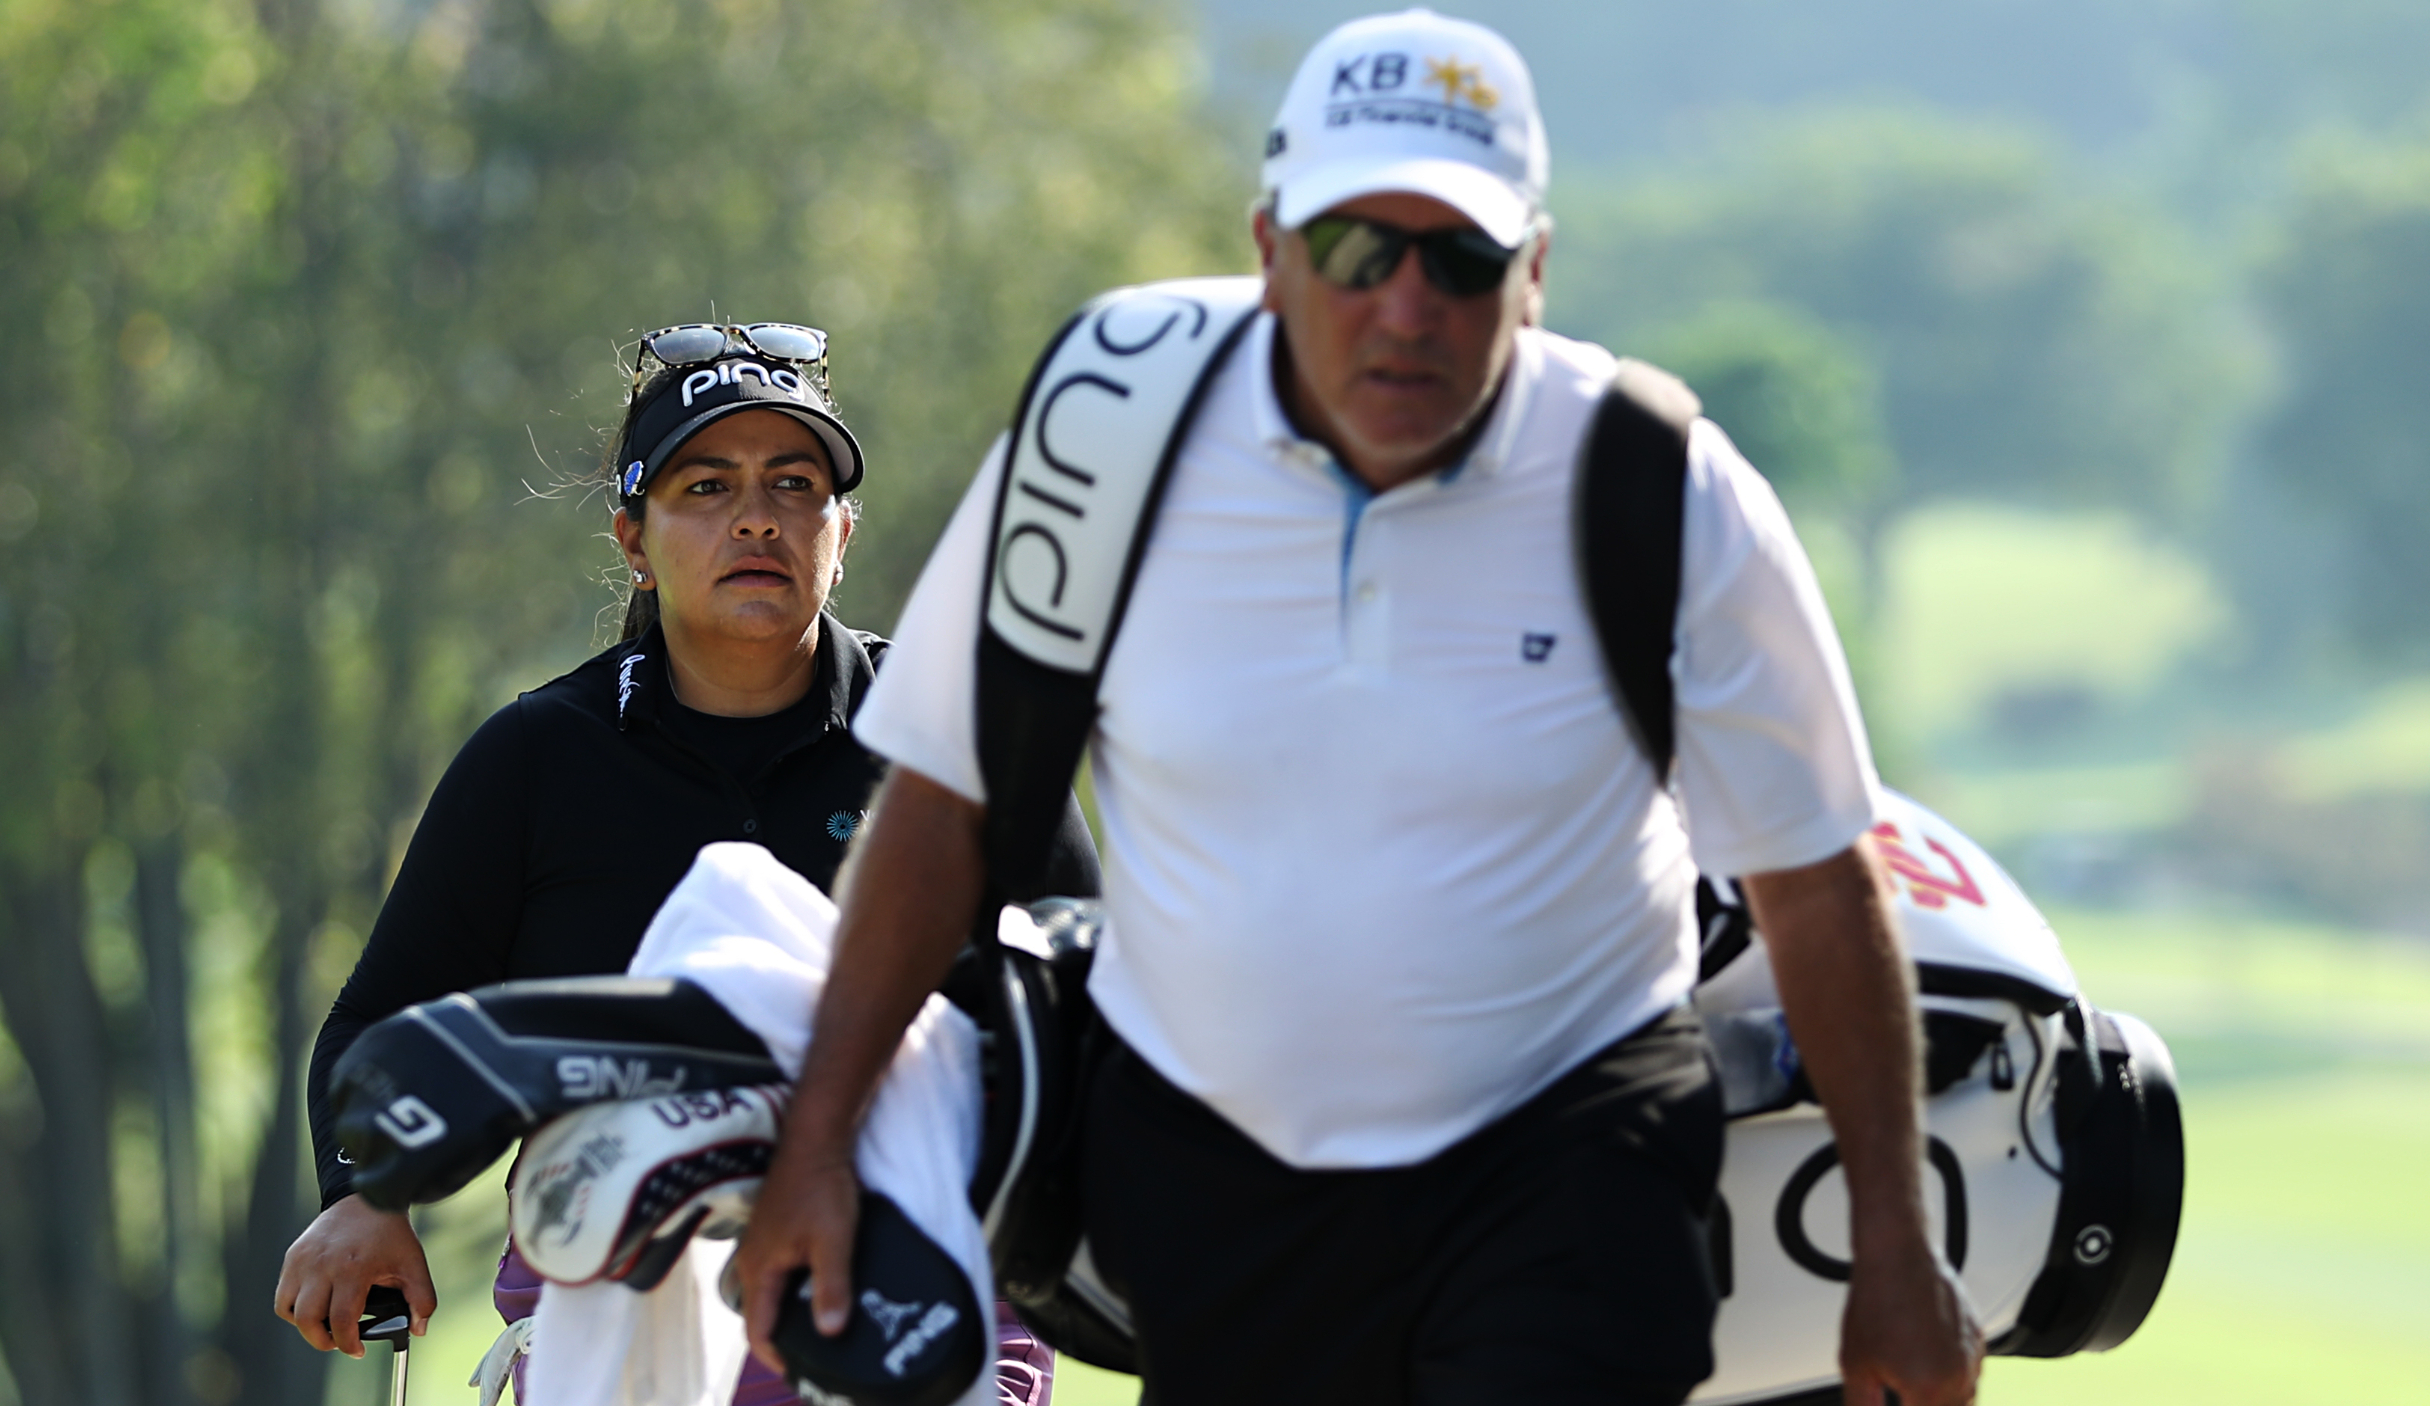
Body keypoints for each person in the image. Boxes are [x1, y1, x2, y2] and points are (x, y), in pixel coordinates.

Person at [733, 11, 1987, 1406]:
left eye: (1461, 258)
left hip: (1566, 1154)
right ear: (1272, 252)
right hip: (1215, 1181)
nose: (1408, 304)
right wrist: (820, 1141)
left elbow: (1818, 876)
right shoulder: (1106, 441)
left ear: (1536, 274)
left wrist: (1896, 1241)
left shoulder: (1660, 485)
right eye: (1354, 251)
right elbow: (945, 807)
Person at [271, 321, 1098, 1405]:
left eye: (793, 483)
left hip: (916, 1286)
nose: (756, 515)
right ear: (632, 538)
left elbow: (1093, 994)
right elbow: (380, 1019)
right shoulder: (539, 756)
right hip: (619, 1313)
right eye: (705, 486)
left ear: (840, 531)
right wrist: (364, 1192)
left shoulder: (950, 736)